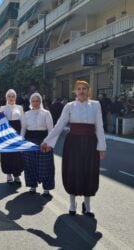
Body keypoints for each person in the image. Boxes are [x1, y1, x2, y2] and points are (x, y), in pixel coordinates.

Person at [41, 80, 106, 217]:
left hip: (90, 143)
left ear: (88, 91)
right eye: (79, 89)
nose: (81, 91)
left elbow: (99, 126)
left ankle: (87, 204)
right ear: (75, 91)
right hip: (73, 143)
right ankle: (72, 202)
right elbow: (59, 125)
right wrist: (47, 141)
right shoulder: (69, 106)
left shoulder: (96, 105)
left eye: (84, 89)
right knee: (72, 171)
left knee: (89, 171)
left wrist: (102, 147)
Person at [21, 93, 55, 197]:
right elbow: (23, 129)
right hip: (29, 142)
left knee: (46, 166)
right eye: (33, 101)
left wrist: (49, 143)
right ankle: (32, 186)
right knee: (30, 165)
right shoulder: (26, 114)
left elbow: (51, 130)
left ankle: (47, 189)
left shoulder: (46, 113)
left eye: (37, 101)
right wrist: (21, 143)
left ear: (40, 102)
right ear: (30, 102)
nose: (35, 103)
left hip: (43, 142)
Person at [0, 89, 26, 184]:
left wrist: (21, 137)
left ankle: (17, 175)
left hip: (17, 135)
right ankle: (8, 174)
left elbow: (23, 123)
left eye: (13, 96)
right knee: (6, 155)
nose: (11, 98)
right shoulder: (2, 108)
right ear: (6, 97)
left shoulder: (19, 108)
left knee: (17, 156)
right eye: (9, 96)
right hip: (6, 136)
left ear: (15, 97)